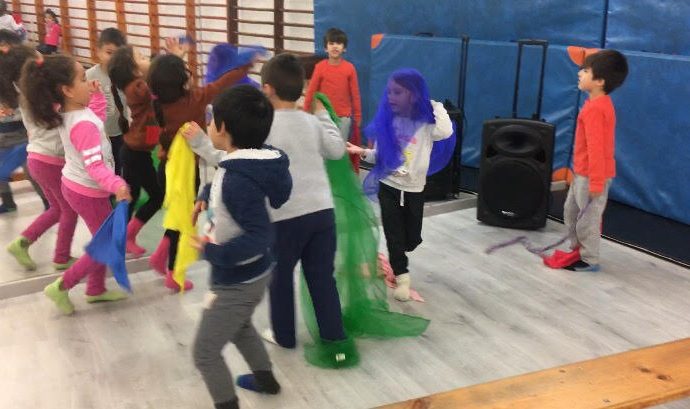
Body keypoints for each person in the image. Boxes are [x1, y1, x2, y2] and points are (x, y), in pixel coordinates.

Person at [190, 85, 291, 409]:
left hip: (238, 279)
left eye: (210, 119)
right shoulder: (241, 164)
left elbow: (260, 235)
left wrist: (212, 252)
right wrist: (206, 194)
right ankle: (266, 380)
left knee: (205, 352)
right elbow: (226, 188)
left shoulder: (238, 179)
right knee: (241, 326)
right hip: (251, 274)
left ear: (222, 128)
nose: (208, 125)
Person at [20, 54, 132, 314]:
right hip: (88, 192)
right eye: (83, 79)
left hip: (78, 186)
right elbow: (94, 166)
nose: (88, 81)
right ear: (67, 90)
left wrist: (97, 96)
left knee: (103, 240)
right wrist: (116, 184)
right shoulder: (82, 124)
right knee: (105, 244)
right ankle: (62, 286)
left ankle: (96, 289)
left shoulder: (72, 113)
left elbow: (96, 120)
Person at [346, 68, 453, 301]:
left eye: (398, 92)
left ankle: (398, 254)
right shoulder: (390, 122)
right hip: (388, 185)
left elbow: (445, 131)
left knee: (411, 239)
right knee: (393, 234)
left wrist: (435, 105)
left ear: (413, 95)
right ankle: (402, 276)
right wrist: (362, 151)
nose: (391, 97)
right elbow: (380, 156)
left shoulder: (426, 124)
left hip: (414, 187)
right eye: (390, 92)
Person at [560, 49, 628, 272]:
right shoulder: (595, 104)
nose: (580, 73)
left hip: (592, 176)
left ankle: (589, 259)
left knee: (587, 219)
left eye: (586, 71)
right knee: (571, 211)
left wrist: (596, 182)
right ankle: (577, 250)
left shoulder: (596, 110)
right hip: (583, 173)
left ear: (599, 81)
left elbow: (597, 150)